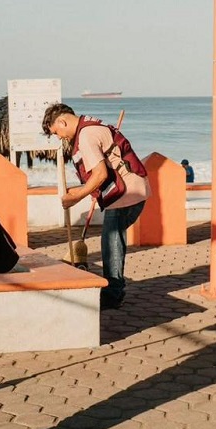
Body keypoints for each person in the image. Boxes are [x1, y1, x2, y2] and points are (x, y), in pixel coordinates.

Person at [41, 104, 150, 309]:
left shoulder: (86, 136)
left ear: (62, 121)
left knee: (112, 242)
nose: (60, 137)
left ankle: (113, 293)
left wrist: (77, 197)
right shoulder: (91, 126)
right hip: (133, 190)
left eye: (57, 132)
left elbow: (99, 174)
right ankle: (113, 288)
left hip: (127, 193)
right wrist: (90, 190)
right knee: (112, 240)